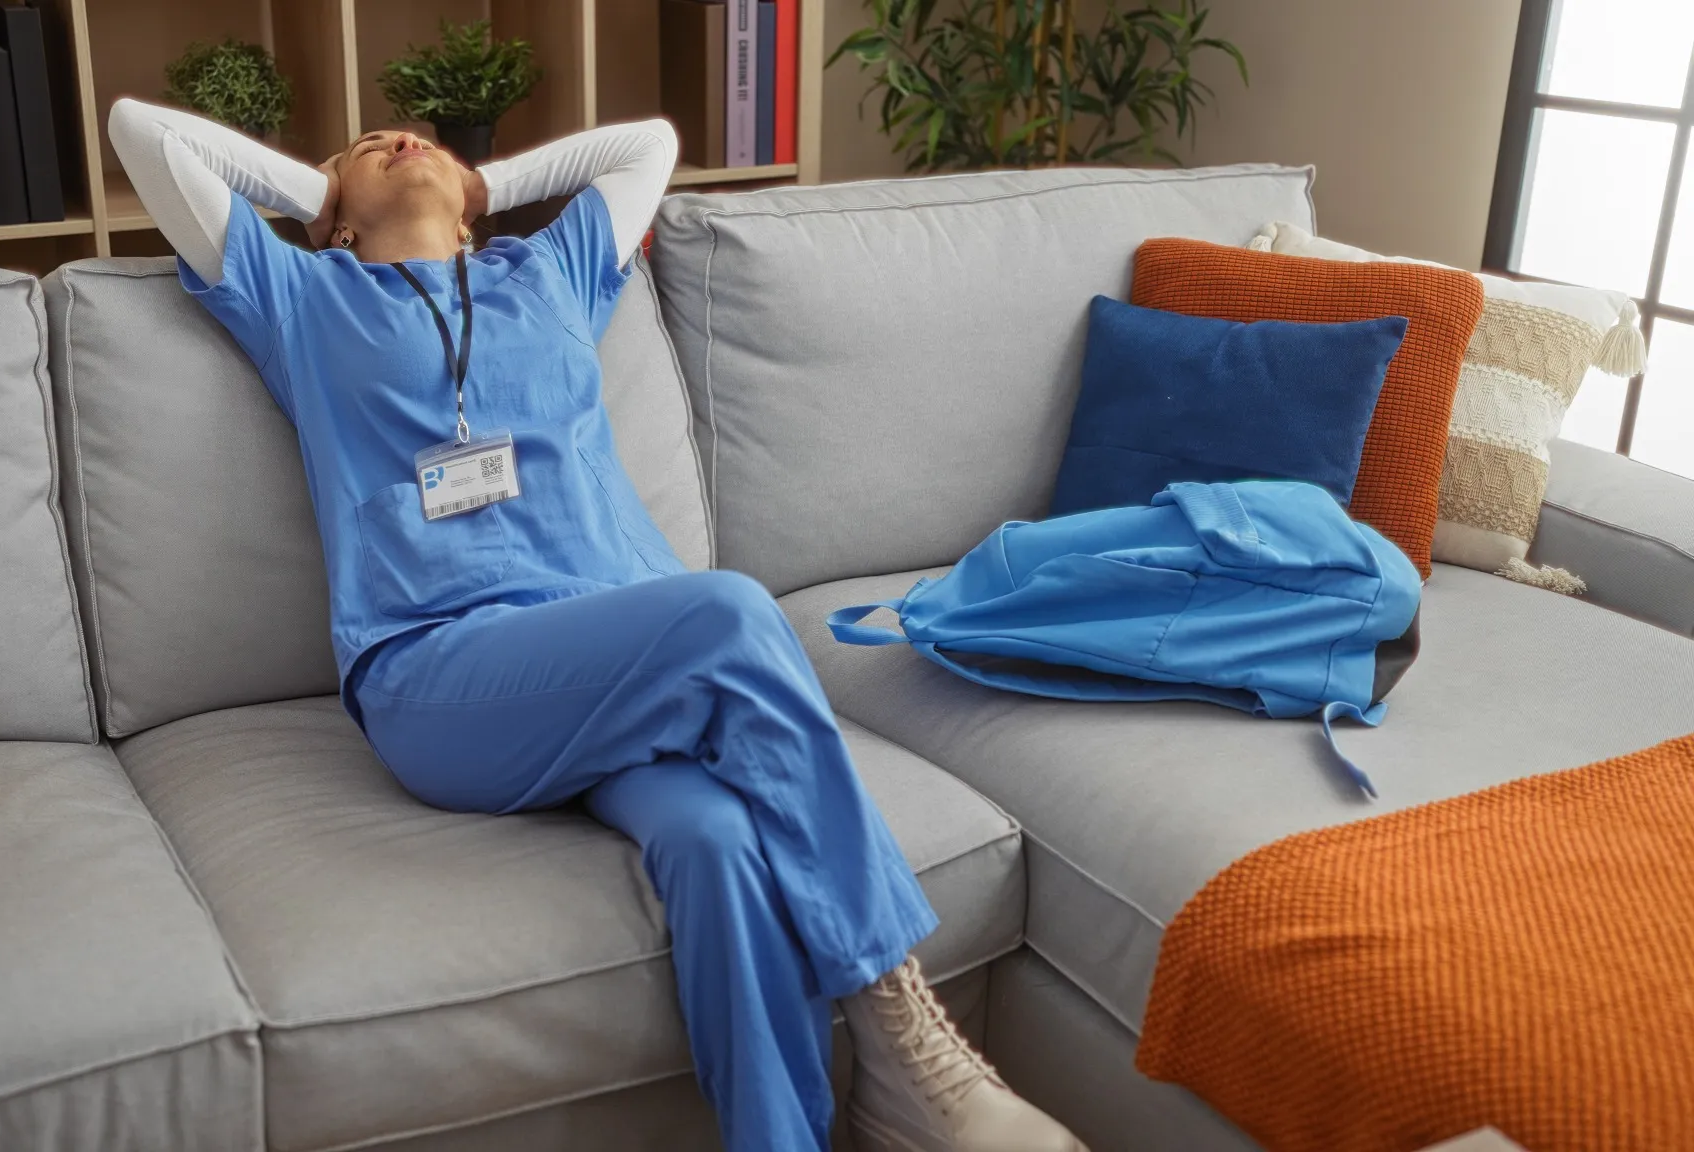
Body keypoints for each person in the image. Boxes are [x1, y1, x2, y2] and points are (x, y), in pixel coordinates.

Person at [108, 97, 1086, 1152]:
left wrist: (478, 185)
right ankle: (906, 1034)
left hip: (626, 661)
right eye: (366, 145)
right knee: (729, 610)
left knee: (715, 840)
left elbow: (649, 147)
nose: (399, 138)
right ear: (333, 220)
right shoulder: (301, 296)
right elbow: (142, 134)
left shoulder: (548, 274)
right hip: (441, 675)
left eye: (418, 137)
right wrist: (319, 191)